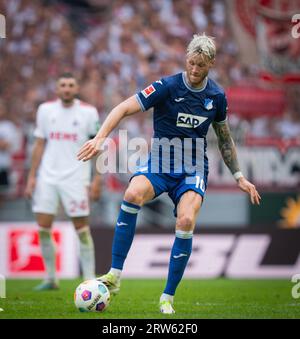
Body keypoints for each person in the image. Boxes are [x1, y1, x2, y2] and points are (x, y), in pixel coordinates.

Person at [77, 34, 261, 314]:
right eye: (191, 63)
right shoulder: (167, 86)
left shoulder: (216, 97)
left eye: (201, 65)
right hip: (160, 163)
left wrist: (238, 175)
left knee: (186, 219)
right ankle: (114, 275)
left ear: (211, 63)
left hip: (192, 168)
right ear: (186, 58)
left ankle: (167, 297)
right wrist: (101, 137)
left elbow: (224, 138)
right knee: (132, 193)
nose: (195, 69)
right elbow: (123, 108)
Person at [25, 73, 101, 290]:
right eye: (63, 85)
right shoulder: (45, 110)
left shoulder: (88, 112)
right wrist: (31, 177)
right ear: (57, 89)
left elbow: (97, 147)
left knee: (82, 229)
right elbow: (39, 144)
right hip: (47, 177)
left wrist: (97, 179)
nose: (66, 89)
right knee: (43, 228)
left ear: (76, 88)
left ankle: (89, 279)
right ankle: (50, 278)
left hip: (76, 179)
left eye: (70, 85)